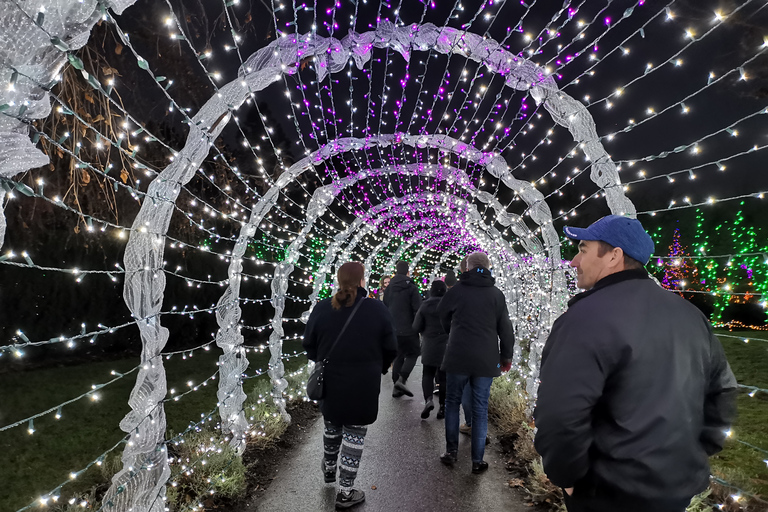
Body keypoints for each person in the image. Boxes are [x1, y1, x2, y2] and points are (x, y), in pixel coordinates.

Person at [533, 215, 738, 512]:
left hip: (606, 492)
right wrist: (694, 455)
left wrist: (567, 476)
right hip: (673, 490)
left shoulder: (585, 318)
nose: (574, 261)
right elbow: (723, 393)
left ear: (614, 255)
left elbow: (561, 414)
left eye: (583, 249)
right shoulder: (690, 316)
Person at [303, 262, 397, 510]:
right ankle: (345, 491)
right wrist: (381, 366)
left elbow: (309, 345)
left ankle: (329, 468)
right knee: (355, 436)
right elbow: (391, 347)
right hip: (363, 383)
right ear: (362, 281)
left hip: (331, 381)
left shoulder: (323, 308)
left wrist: (322, 359)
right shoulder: (377, 310)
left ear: (338, 280)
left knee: (332, 424)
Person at [438, 252, 515, 474]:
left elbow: (441, 313)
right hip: (486, 358)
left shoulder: (456, 292)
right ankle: (477, 460)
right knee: (480, 408)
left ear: (467, 269)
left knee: (452, 402)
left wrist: (451, 332)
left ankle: (451, 452)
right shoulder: (496, 294)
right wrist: (506, 357)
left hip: (458, 356)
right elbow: (505, 329)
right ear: (488, 267)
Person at [383, 260, 423, 398]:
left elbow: (385, 305)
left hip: (394, 329)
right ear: (408, 272)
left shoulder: (389, 288)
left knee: (398, 356)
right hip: (409, 329)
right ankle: (402, 379)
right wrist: (418, 326)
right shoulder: (411, 287)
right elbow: (417, 308)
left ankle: (396, 387)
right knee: (413, 353)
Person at [413, 280, 449, 420]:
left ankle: (428, 400)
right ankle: (443, 407)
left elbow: (416, 327)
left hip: (429, 345)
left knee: (427, 374)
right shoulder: (449, 306)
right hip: (445, 345)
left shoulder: (424, 306)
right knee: (444, 377)